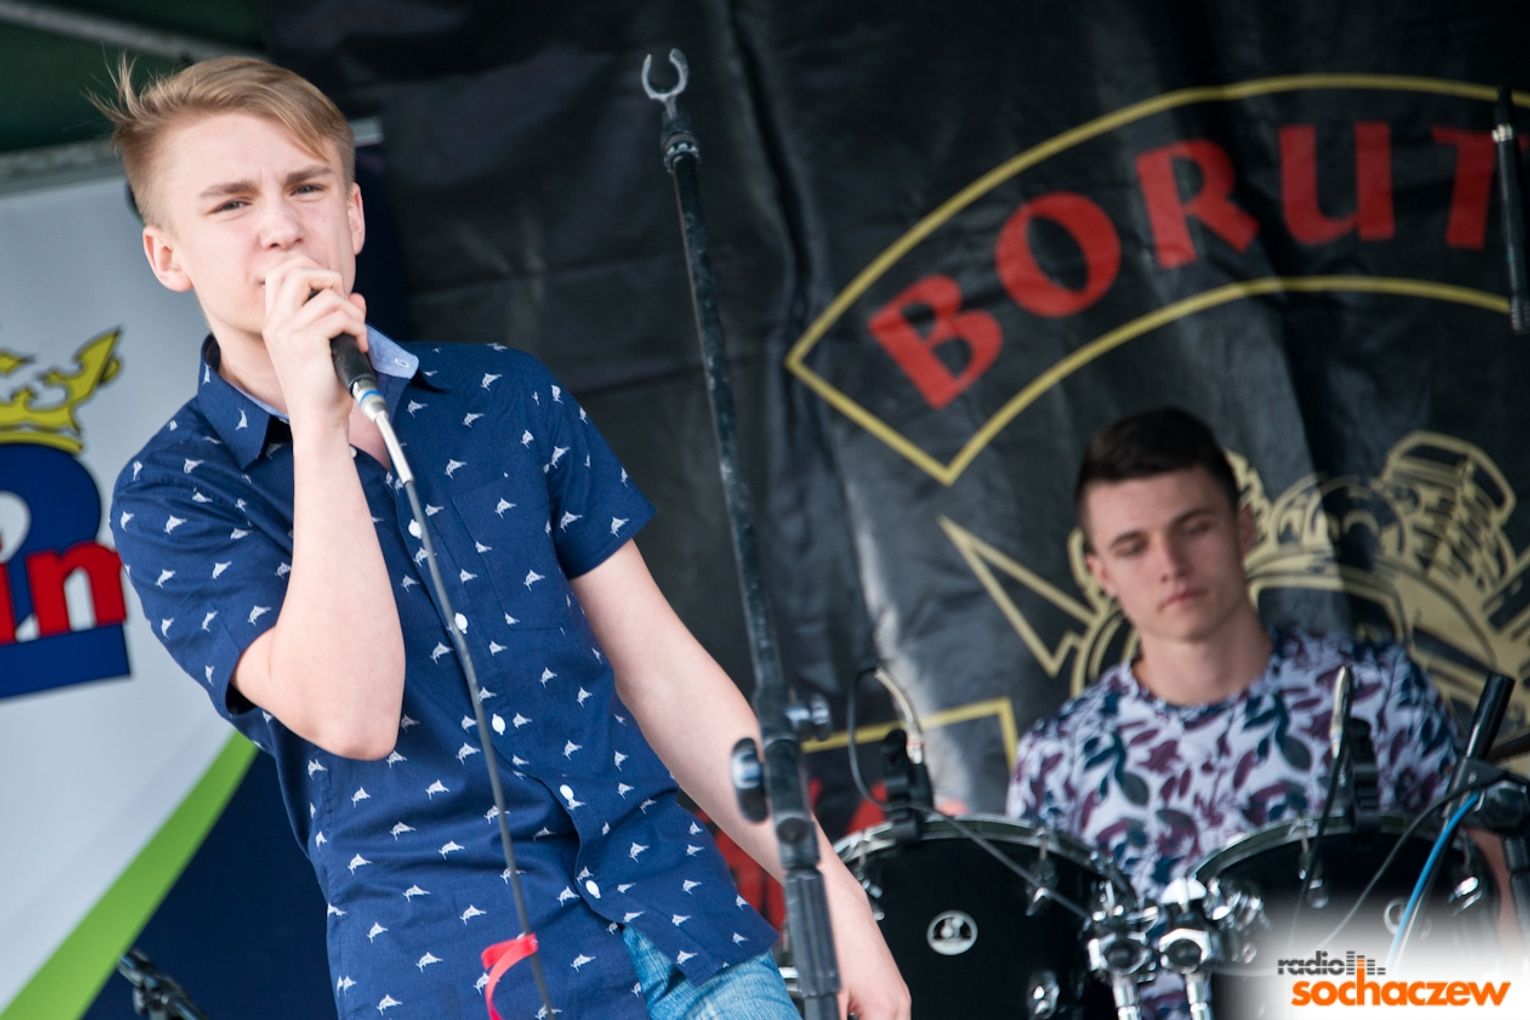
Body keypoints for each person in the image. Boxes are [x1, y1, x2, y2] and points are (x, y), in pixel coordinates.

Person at [103, 56, 908, 1020]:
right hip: (465, 974)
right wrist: (316, 425)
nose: (280, 225)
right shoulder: (175, 491)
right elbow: (353, 714)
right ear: (169, 256)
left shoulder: (499, 393)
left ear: (353, 215)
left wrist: (833, 897)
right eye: (232, 203)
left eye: (306, 187)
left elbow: (660, 669)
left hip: (680, 924)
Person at [1006, 407, 1467, 1017]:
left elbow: (1483, 876)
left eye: (1194, 528)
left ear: (1244, 527)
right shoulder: (1058, 758)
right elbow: (1042, 975)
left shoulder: (1374, 690)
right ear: (1100, 573)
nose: (1170, 564)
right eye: (1132, 547)